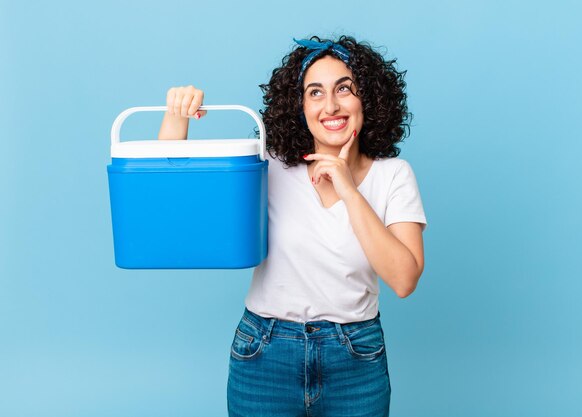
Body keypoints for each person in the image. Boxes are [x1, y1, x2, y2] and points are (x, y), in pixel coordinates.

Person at [158, 35, 427, 417]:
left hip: (356, 357)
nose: (331, 105)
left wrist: (350, 192)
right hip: (264, 352)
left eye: (344, 89)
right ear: (299, 107)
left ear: (368, 98)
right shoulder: (269, 165)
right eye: (315, 92)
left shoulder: (393, 175)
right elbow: (174, 203)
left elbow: (404, 279)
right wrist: (176, 116)